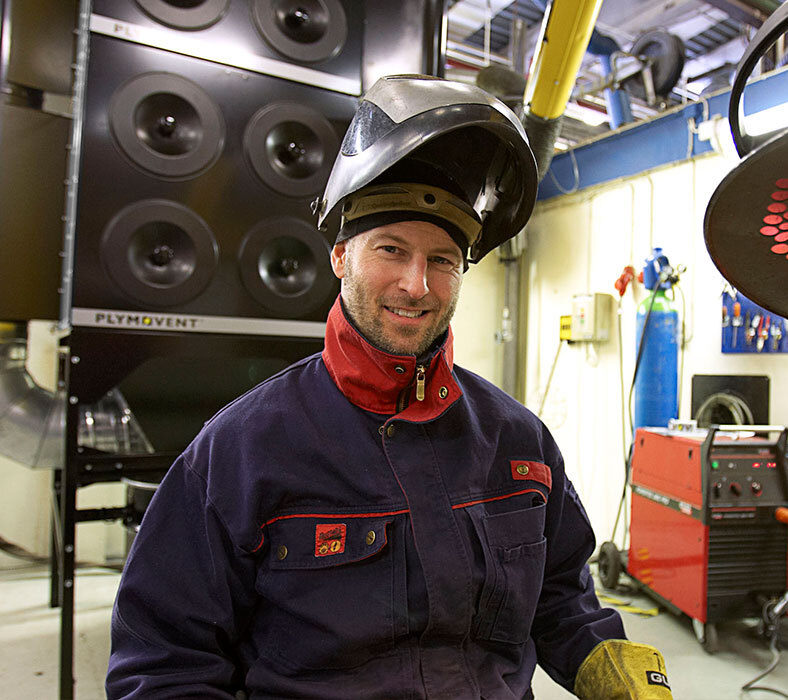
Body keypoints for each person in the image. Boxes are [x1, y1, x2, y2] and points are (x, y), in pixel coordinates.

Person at [107, 74, 673, 699]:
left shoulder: (519, 442)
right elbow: (164, 665)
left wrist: (606, 660)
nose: (416, 285)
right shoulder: (241, 450)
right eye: (391, 250)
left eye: (441, 260)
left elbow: (560, 596)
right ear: (340, 257)